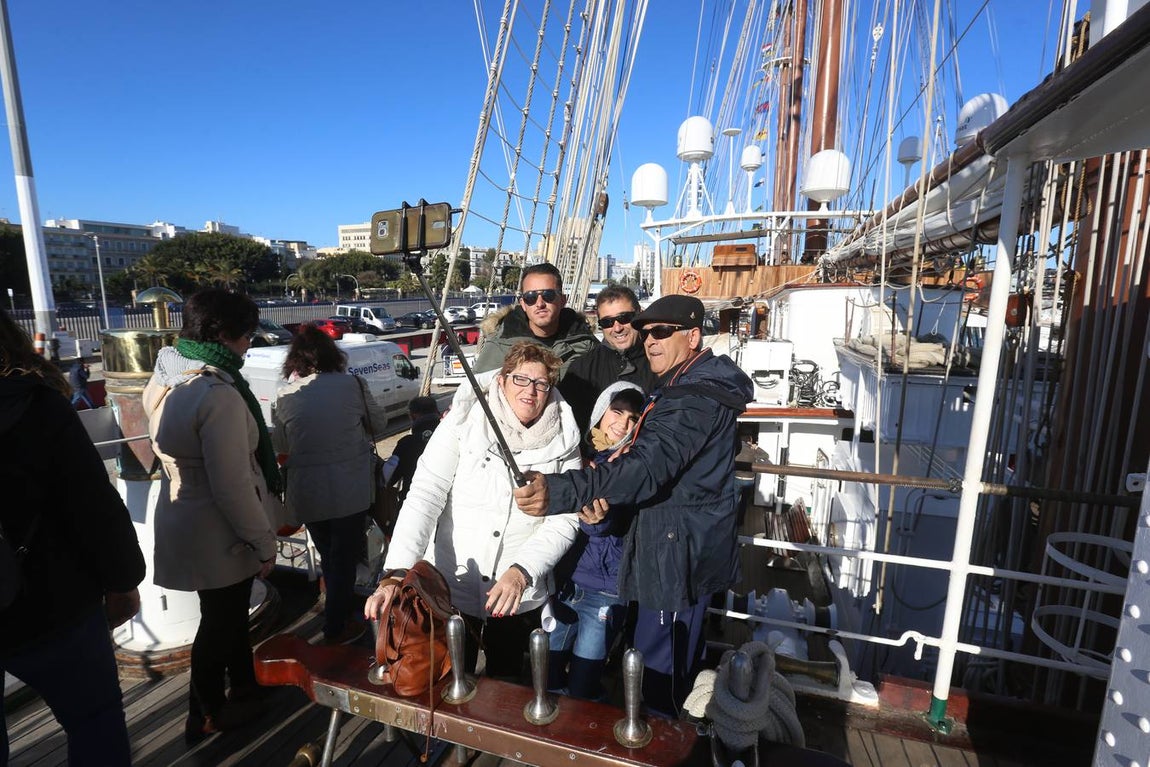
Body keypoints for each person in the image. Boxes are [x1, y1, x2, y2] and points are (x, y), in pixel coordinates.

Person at [513, 294, 754, 716]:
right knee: (656, 666)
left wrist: (561, 491)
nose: (650, 341)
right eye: (646, 333)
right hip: (680, 550)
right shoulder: (687, 385)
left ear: (693, 337)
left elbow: (645, 469)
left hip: (677, 561)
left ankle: (665, 742)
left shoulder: (691, 399)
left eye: (663, 332)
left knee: (660, 681)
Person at [364, 341, 582, 681]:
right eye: (520, 379)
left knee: (507, 686)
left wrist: (523, 571)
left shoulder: (565, 438)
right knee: (448, 679)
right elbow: (425, 495)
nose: (531, 390)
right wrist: (396, 571)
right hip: (451, 590)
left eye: (541, 383)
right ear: (501, 379)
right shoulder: (464, 420)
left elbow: (566, 518)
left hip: (517, 597)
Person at [0, 306, 145, 766]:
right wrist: (124, 582)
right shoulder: (33, 406)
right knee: (94, 722)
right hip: (50, 601)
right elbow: (92, 507)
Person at [142, 288, 279, 744]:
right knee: (219, 625)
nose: (248, 345)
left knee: (226, 614)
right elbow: (232, 483)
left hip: (185, 517)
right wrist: (264, 540)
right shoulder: (215, 392)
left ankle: (243, 687)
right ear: (222, 333)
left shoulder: (166, 374)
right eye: (245, 336)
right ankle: (203, 712)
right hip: (220, 529)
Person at [272, 325, 387, 646]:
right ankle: (336, 627)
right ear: (331, 355)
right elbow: (378, 424)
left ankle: (336, 611)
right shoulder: (352, 384)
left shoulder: (286, 395)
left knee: (330, 555)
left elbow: (281, 443)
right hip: (349, 491)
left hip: (307, 493)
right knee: (343, 559)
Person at [548, 382, 644, 700]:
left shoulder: (637, 468)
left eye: (633, 417)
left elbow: (619, 521)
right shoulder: (575, 457)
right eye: (616, 411)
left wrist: (599, 523)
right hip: (565, 585)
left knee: (582, 685)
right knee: (546, 672)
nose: (623, 423)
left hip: (606, 592)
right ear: (600, 414)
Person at [559, 285, 658, 432]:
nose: (617, 328)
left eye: (624, 318)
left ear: (640, 315)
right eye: (607, 322)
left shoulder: (661, 363)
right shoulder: (582, 369)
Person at [473, 263, 596, 378]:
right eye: (530, 297)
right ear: (523, 304)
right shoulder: (500, 345)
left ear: (562, 300)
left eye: (548, 295)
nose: (540, 304)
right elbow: (474, 393)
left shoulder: (586, 344)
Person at [386, 395, 441, 507]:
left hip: (414, 503)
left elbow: (387, 478)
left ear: (413, 415)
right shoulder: (452, 437)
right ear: (437, 411)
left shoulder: (406, 443)